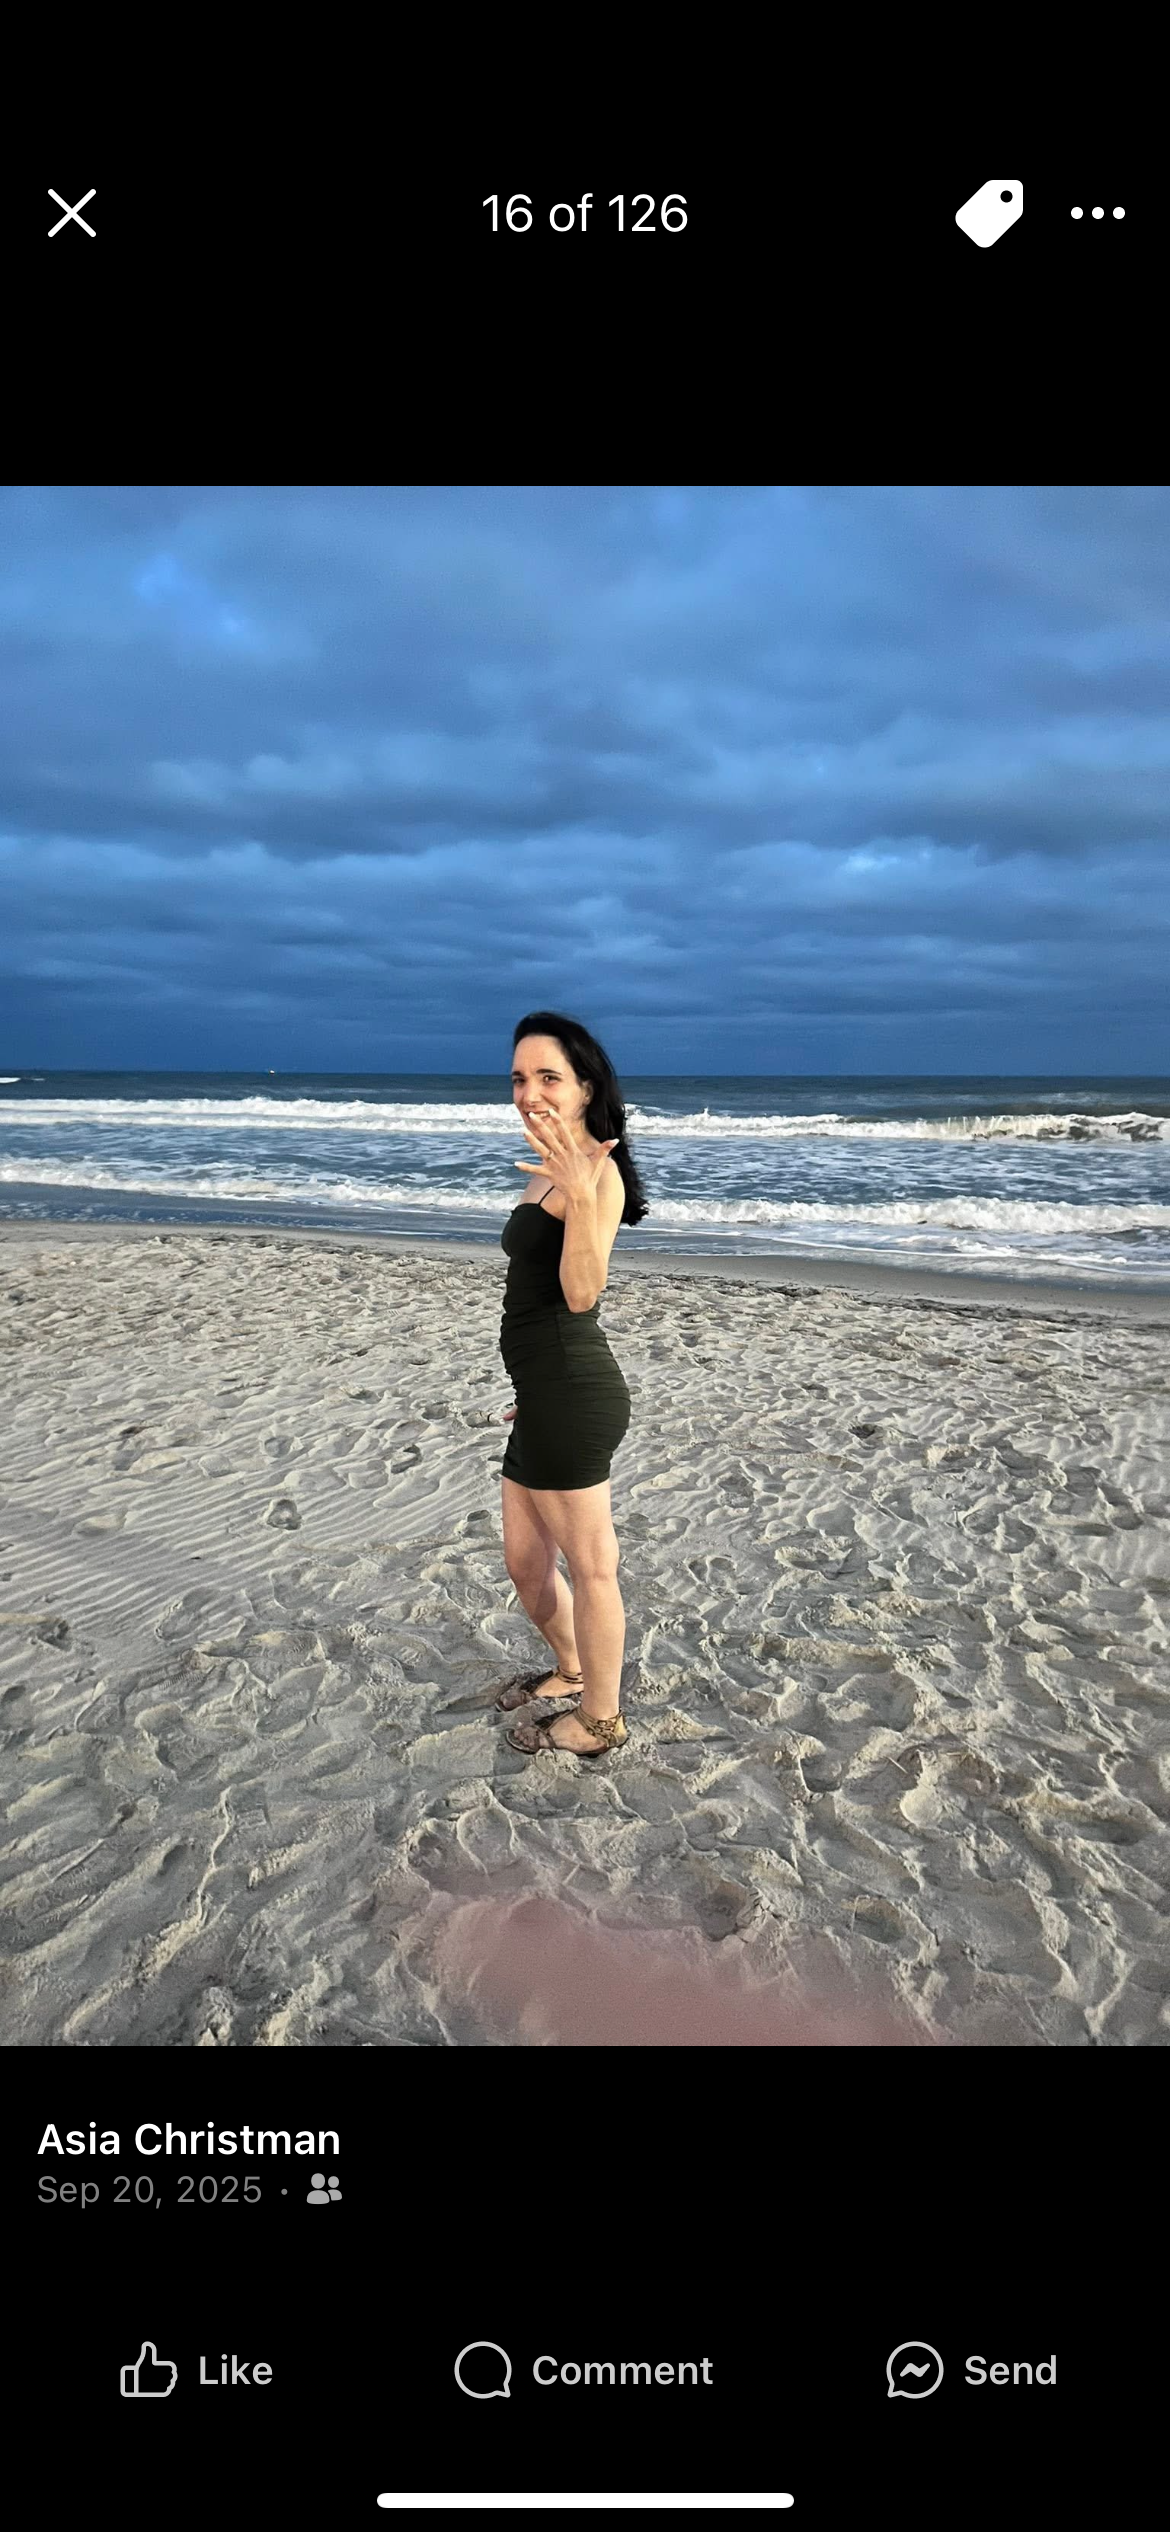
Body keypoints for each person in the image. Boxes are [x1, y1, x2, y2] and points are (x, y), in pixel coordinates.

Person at [493, 1010, 649, 1762]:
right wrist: (533, 1389)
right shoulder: (552, 1165)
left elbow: (582, 1294)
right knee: (526, 1565)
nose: (531, 1093)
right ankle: (573, 1667)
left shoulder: (596, 1173)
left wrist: (582, 1195)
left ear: (587, 1088)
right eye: (520, 1077)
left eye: (549, 1077)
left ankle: (601, 1720)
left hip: (573, 1394)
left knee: (591, 1569)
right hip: (544, 1394)